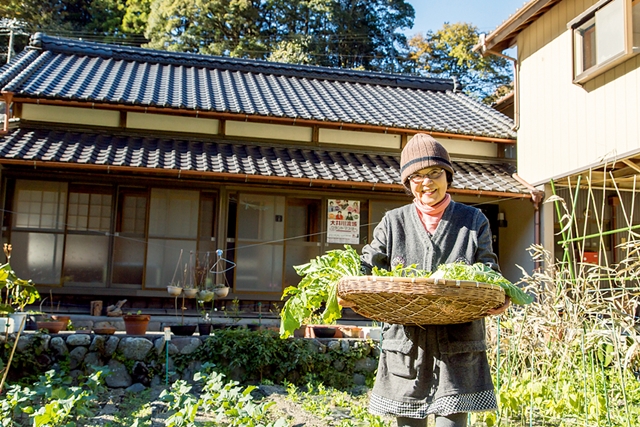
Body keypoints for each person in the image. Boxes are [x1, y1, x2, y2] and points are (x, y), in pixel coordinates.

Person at [340, 133, 510, 427]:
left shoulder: (473, 221)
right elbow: (365, 266)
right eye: (417, 176)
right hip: (406, 345)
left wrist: (500, 296)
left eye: (435, 173)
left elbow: (488, 271)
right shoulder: (394, 222)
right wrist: (345, 290)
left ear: (448, 177)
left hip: (457, 342)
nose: (427, 182)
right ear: (408, 183)